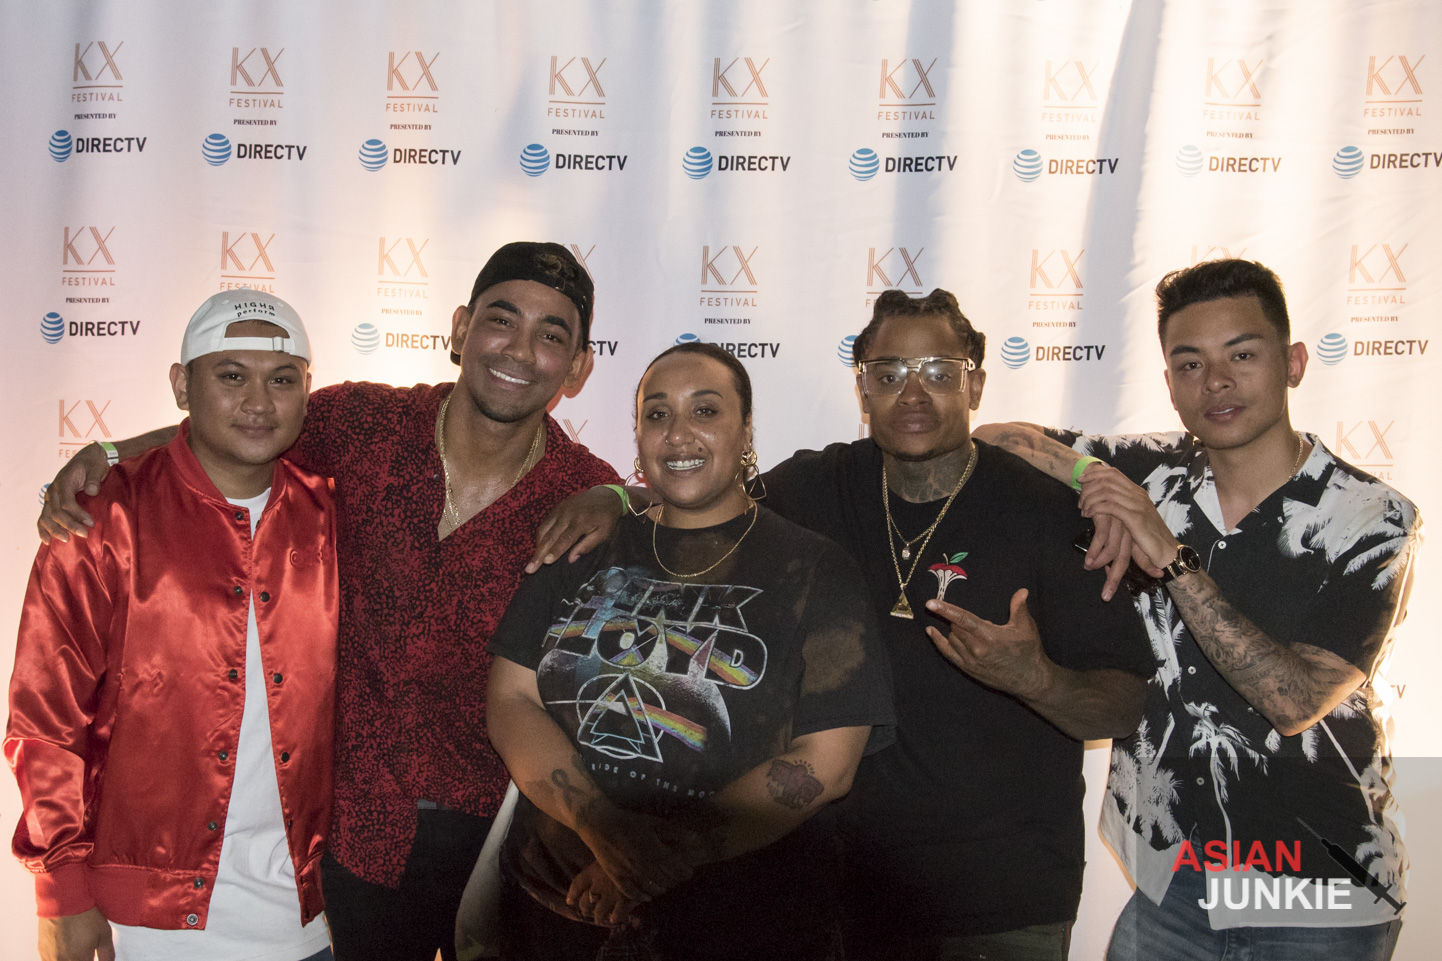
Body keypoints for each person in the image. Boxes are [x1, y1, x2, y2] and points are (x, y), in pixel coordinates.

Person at [36, 243, 622, 961]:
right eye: (502, 320)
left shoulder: (585, 491)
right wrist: (108, 452)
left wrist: (624, 497)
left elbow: (680, 540)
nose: (520, 350)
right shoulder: (365, 421)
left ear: (579, 367)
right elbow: (240, 427)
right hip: (342, 841)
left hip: (495, 842)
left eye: (551, 334)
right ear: (460, 328)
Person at [530, 290, 1154, 960]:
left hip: (996, 900)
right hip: (827, 895)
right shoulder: (814, 487)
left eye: (938, 372)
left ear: (974, 383)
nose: (912, 392)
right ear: (862, 389)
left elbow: (1121, 707)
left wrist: (1037, 680)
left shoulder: (1045, 513)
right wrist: (614, 496)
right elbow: (701, 491)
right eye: (888, 373)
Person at [973, 259, 1421, 960]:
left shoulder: (1371, 516)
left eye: (1241, 355)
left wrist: (1168, 552)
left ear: (1294, 363)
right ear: (1170, 384)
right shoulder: (1151, 471)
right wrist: (1096, 480)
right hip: (1175, 881)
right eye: (1190, 364)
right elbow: (1000, 439)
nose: (1215, 381)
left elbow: (1294, 700)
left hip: (1319, 888)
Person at [487, 342, 895, 960]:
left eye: (705, 410)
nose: (678, 434)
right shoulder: (582, 545)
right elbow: (511, 699)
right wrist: (601, 828)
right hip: (553, 913)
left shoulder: (816, 570)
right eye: (657, 414)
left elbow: (827, 762)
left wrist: (653, 858)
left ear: (746, 429)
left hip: (737, 923)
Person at [7, 290, 336, 961]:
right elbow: (45, 722)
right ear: (182, 385)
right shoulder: (101, 518)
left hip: (312, 919)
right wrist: (61, 892)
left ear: (307, 393)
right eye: (231, 375)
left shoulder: (333, 512)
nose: (258, 401)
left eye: (281, 380)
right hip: (144, 926)